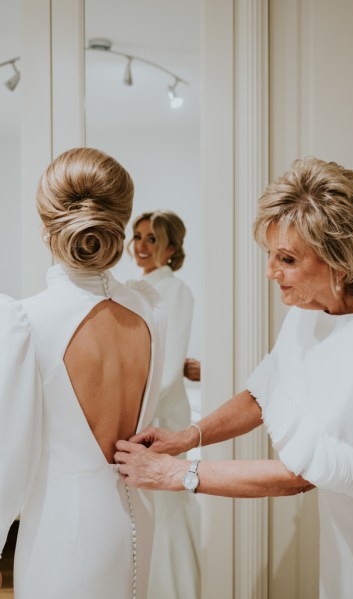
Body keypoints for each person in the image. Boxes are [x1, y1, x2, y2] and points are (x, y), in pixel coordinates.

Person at [115, 157, 353, 599]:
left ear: (340, 263)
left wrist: (178, 474)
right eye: (270, 255)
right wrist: (187, 436)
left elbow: (298, 476)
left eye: (285, 259)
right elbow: (264, 392)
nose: (270, 273)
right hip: (342, 534)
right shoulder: (312, 308)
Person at [0, 148, 166, 599]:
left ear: (45, 224)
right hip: (135, 518)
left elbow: (7, 465)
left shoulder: (25, 322)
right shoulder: (148, 309)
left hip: (63, 528)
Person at [126, 210, 201, 599]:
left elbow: (169, 366)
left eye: (151, 239)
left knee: (167, 505)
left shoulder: (177, 292)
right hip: (139, 410)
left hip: (161, 413)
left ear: (170, 247)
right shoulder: (129, 288)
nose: (140, 245)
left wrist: (131, 405)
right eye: (137, 236)